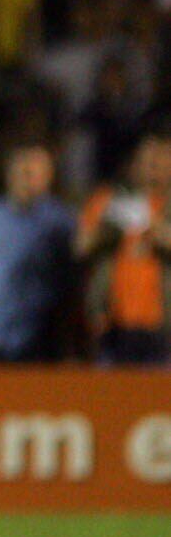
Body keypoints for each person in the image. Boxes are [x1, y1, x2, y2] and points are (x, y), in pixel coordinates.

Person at [0, 140, 76, 363]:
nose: (26, 179)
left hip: (37, 337)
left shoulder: (59, 221)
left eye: (33, 173)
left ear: (49, 177)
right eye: (21, 171)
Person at [78, 131, 171, 365]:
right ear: (134, 163)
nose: (153, 165)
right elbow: (80, 246)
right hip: (112, 324)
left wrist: (160, 232)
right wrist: (110, 229)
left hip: (162, 327)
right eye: (147, 158)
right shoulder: (108, 200)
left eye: (161, 158)